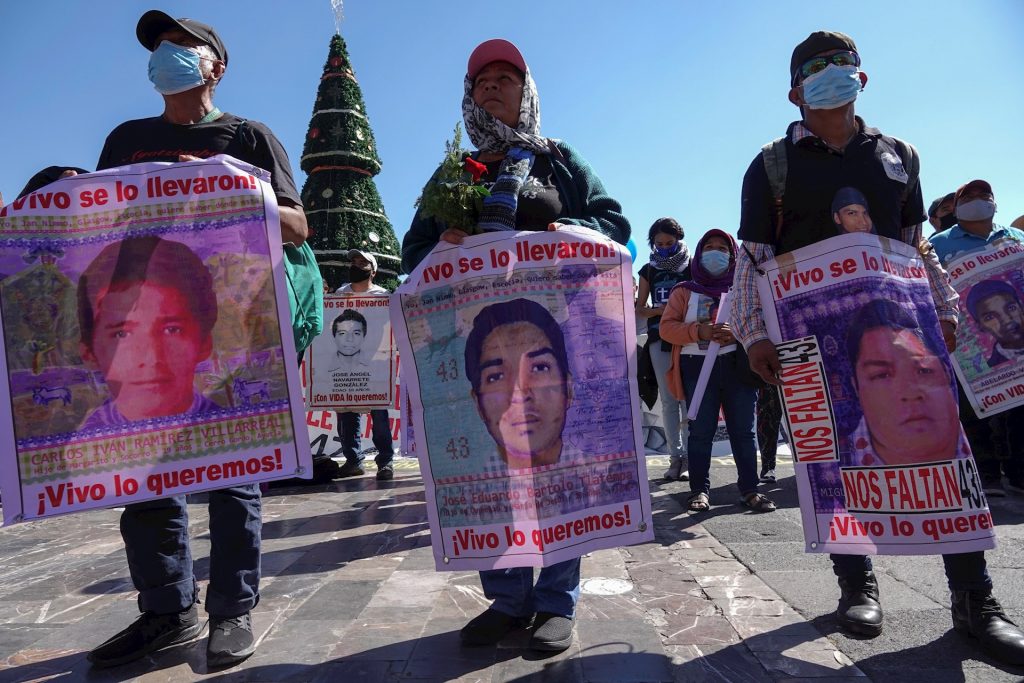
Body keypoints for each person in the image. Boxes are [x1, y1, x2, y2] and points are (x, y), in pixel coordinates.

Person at [731, 30, 1024, 665]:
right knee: (826, 456)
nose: (834, 73)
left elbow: (917, 244)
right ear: (794, 90)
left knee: (944, 454)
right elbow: (752, 259)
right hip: (808, 340)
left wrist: (945, 309)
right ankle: (855, 585)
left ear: (862, 78)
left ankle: (975, 601)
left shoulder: (899, 155)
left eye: (844, 63)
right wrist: (755, 334)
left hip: (902, 326)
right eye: (818, 67)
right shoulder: (771, 165)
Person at [87, 11, 308, 669]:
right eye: (159, 47)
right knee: (146, 476)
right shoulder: (127, 138)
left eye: (181, 45)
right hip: (142, 329)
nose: (166, 55)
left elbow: (298, 226)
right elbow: (91, 223)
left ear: (215, 64)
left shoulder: (248, 137)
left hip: (235, 333)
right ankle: (165, 610)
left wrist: (231, 187)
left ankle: (232, 609)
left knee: (234, 472)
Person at [401, 38, 630, 653]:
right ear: (469, 97)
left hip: (554, 336)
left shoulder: (558, 161)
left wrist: (566, 232)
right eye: (483, 81)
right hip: (480, 351)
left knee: (555, 465)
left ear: (527, 91)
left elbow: (614, 226)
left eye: (507, 77)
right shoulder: (453, 173)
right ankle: (506, 600)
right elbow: (411, 254)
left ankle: (557, 601)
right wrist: (443, 245)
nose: (494, 87)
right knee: (492, 464)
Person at [659, 229, 776, 514]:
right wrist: (700, 330)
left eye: (723, 248)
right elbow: (666, 328)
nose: (716, 252)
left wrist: (736, 334)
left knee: (743, 432)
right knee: (700, 431)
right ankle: (699, 490)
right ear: (698, 254)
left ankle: (750, 490)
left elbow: (760, 321)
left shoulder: (744, 290)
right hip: (696, 368)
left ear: (733, 255)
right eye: (709, 247)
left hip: (737, 368)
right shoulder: (683, 291)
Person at [930, 180, 1024, 497]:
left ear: (995, 203)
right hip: (968, 350)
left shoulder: (1017, 238)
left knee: (1020, 412)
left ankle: (1018, 473)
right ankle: (986, 476)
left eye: (985, 195)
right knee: (975, 410)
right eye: (968, 197)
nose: (978, 200)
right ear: (956, 209)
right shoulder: (939, 244)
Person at [78, 236, 220, 428]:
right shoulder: (80, 447)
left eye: (171, 330)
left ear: (204, 344)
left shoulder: (238, 433)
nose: (151, 357)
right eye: (122, 334)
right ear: (90, 353)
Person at [844, 300, 962, 466]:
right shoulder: (837, 472)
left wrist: (947, 319)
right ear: (856, 387)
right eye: (882, 375)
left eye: (923, 370)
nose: (910, 393)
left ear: (947, 373)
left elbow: (938, 284)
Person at [465, 298, 573, 469]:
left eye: (539, 368)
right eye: (495, 377)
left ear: (568, 388)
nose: (519, 394)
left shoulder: (604, 478)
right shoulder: (467, 491)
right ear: (478, 404)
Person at [635, 217, 691, 480]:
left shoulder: (691, 266)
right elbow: (640, 308)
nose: (665, 248)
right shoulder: (648, 269)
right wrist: (664, 310)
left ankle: (692, 457)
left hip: (688, 339)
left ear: (679, 239)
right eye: (660, 244)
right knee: (668, 401)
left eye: (670, 243)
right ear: (653, 244)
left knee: (688, 400)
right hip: (659, 338)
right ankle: (675, 457)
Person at [334, 248, 396, 481]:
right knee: (347, 411)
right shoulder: (340, 294)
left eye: (363, 263)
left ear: (373, 271)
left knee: (379, 413)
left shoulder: (382, 295)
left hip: (375, 362)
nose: (356, 265)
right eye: (354, 261)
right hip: (347, 360)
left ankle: (385, 462)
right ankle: (353, 460)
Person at [967, 280, 1024, 367]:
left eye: (1011, 308)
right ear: (980, 327)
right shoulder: (992, 366)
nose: (1007, 320)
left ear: (1021, 307)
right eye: (990, 317)